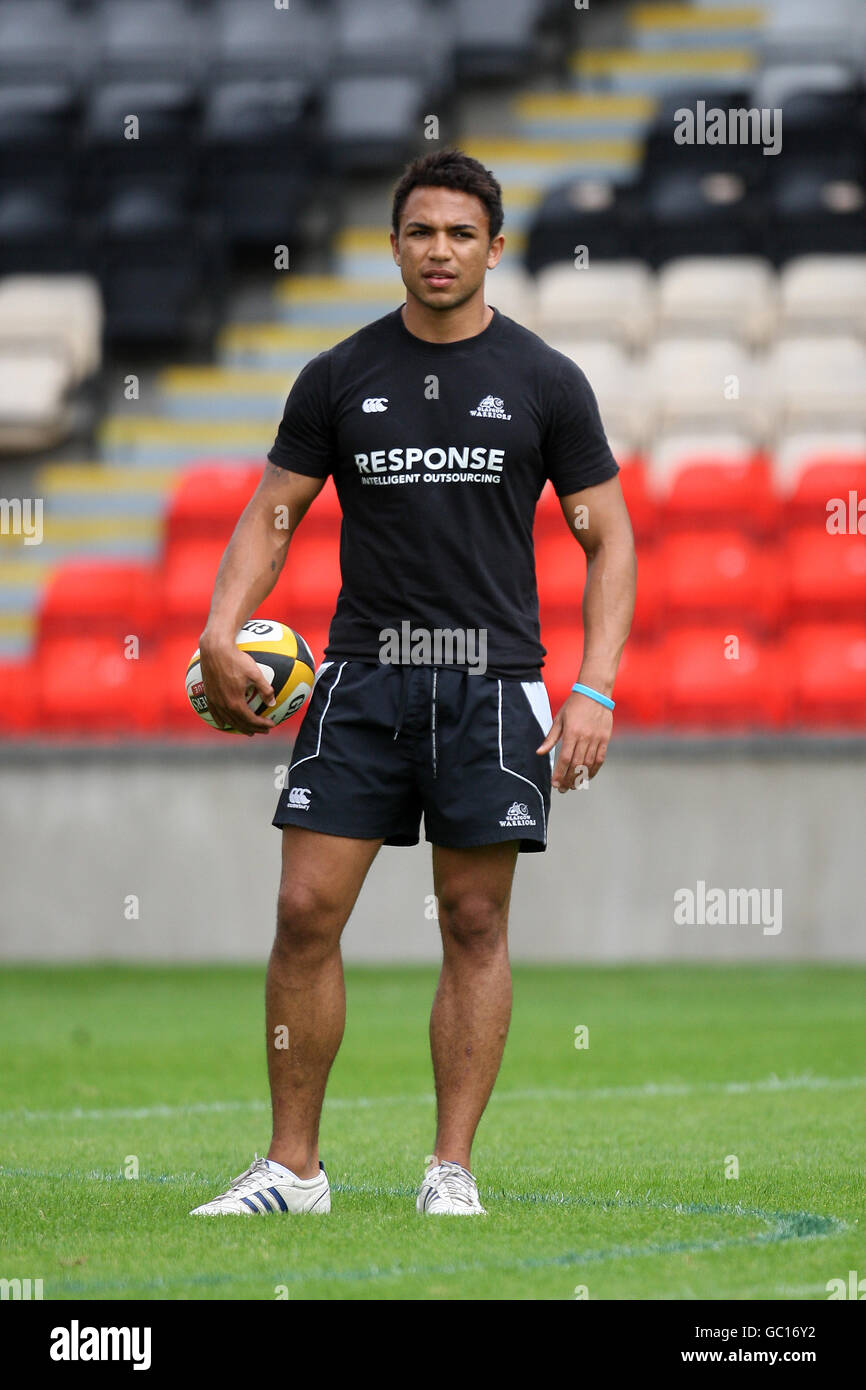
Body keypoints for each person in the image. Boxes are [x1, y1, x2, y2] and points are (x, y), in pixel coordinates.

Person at [190, 149, 636, 1219]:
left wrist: (596, 687)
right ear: (392, 244)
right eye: (420, 232)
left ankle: (450, 1170)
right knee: (303, 910)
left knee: (473, 919)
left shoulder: (543, 381)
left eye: (459, 234)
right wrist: (216, 628)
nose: (438, 251)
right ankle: (293, 1170)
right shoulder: (340, 375)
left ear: (491, 248)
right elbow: (271, 515)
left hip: (491, 688)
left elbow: (608, 539)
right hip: (361, 682)